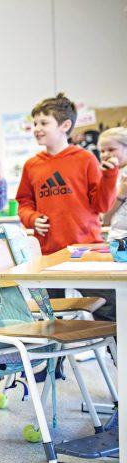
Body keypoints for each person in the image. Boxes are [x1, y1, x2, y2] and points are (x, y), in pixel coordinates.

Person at [16, 93, 118, 259]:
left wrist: (110, 177)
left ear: (65, 125)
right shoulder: (31, 165)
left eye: (44, 123)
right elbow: (24, 204)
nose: (36, 128)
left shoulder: (85, 159)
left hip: (86, 249)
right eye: (35, 123)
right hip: (47, 253)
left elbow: (102, 206)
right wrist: (32, 218)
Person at [76, 126, 127, 325]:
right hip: (118, 241)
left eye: (111, 150)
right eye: (102, 150)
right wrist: (121, 193)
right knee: (116, 299)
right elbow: (104, 218)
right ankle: (116, 349)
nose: (105, 155)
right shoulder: (108, 175)